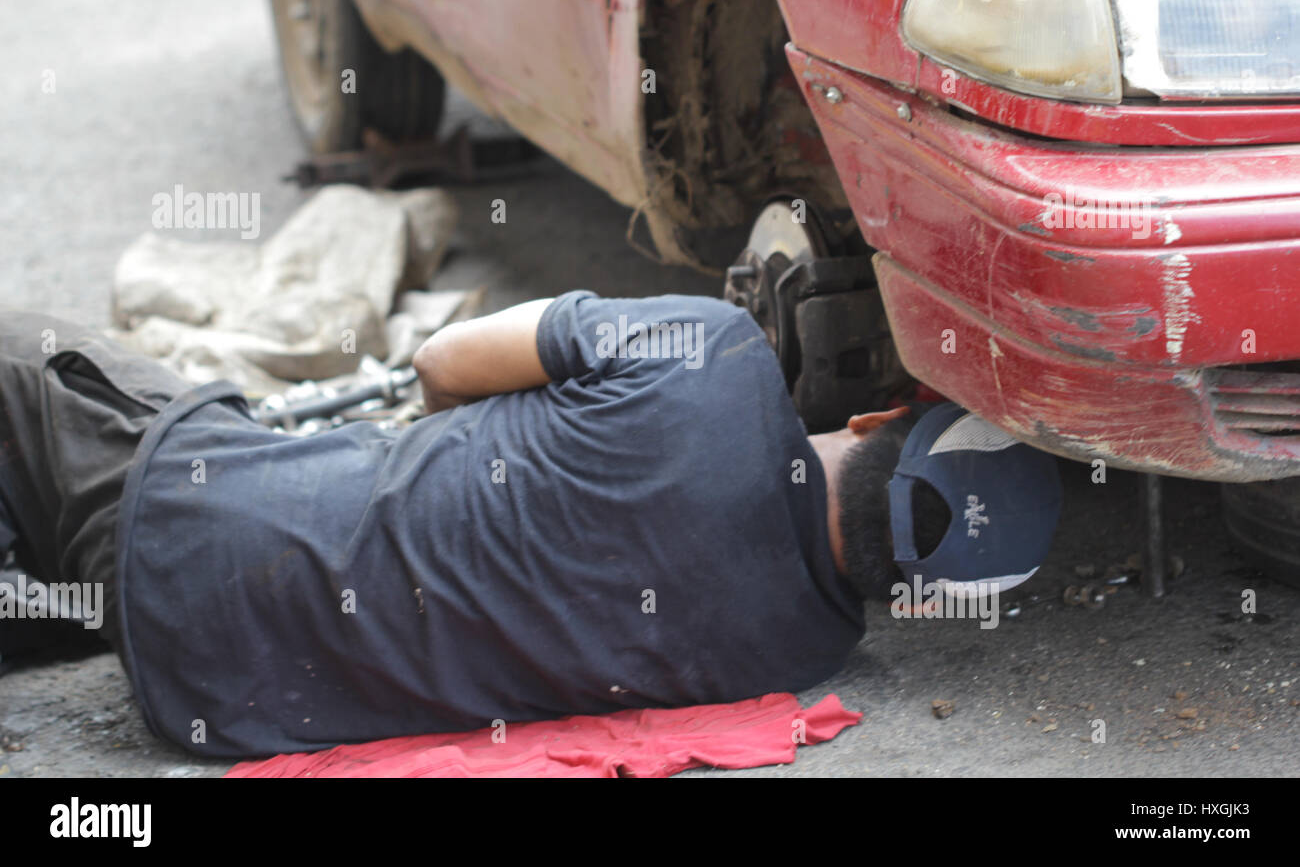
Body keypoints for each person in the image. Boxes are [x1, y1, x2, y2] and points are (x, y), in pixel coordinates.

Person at [0, 291, 1061, 757]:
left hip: (191, 510)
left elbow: (439, 364)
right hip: (206, 696)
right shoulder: (802, 653)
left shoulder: (719, 353)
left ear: (884, 413)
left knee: (20, 347)